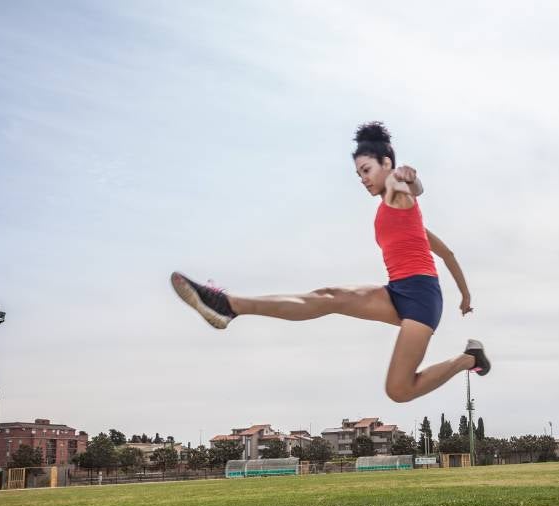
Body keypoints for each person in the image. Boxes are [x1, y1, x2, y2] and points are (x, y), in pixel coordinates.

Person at [171, 121, 489, 403]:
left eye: (366, 170)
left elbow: (413, 187)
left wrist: (410, 179)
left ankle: (467, 359)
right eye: (358, 173)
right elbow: (447, 254)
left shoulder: (397, 191)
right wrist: (466, 295)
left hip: (422, 298)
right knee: (330, 296)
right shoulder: (398, 216)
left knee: (399, 391)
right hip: (396, 291)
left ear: (387, 164)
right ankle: (229, 305)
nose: (362, 179)